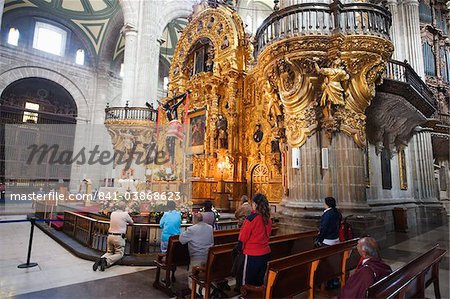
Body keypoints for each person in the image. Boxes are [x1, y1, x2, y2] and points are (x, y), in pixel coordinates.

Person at [239, 193, 272, 286]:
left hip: (252, 255)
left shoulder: (251, 219)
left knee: (247, 283)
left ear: (255, 204)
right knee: (259, 281)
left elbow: (243, 237)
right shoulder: (268, 219)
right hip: (265, 253)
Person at [93, 201, 133, 271]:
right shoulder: (125, 214)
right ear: (124, 207)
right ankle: (106, 261)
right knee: (119, 254)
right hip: (118, 237)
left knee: (109, 252)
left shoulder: (113, 213)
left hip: (110, 236)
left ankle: (100, 259)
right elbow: (131, 222)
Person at [179, 213, 214, 291]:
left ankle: (205, 293)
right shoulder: (210, 227)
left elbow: (181, 240)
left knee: (192, 278)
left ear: (194, 220)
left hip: (197, 258)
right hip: (208, 257)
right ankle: (209, 290)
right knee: (203, 276)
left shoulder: (192, 229)